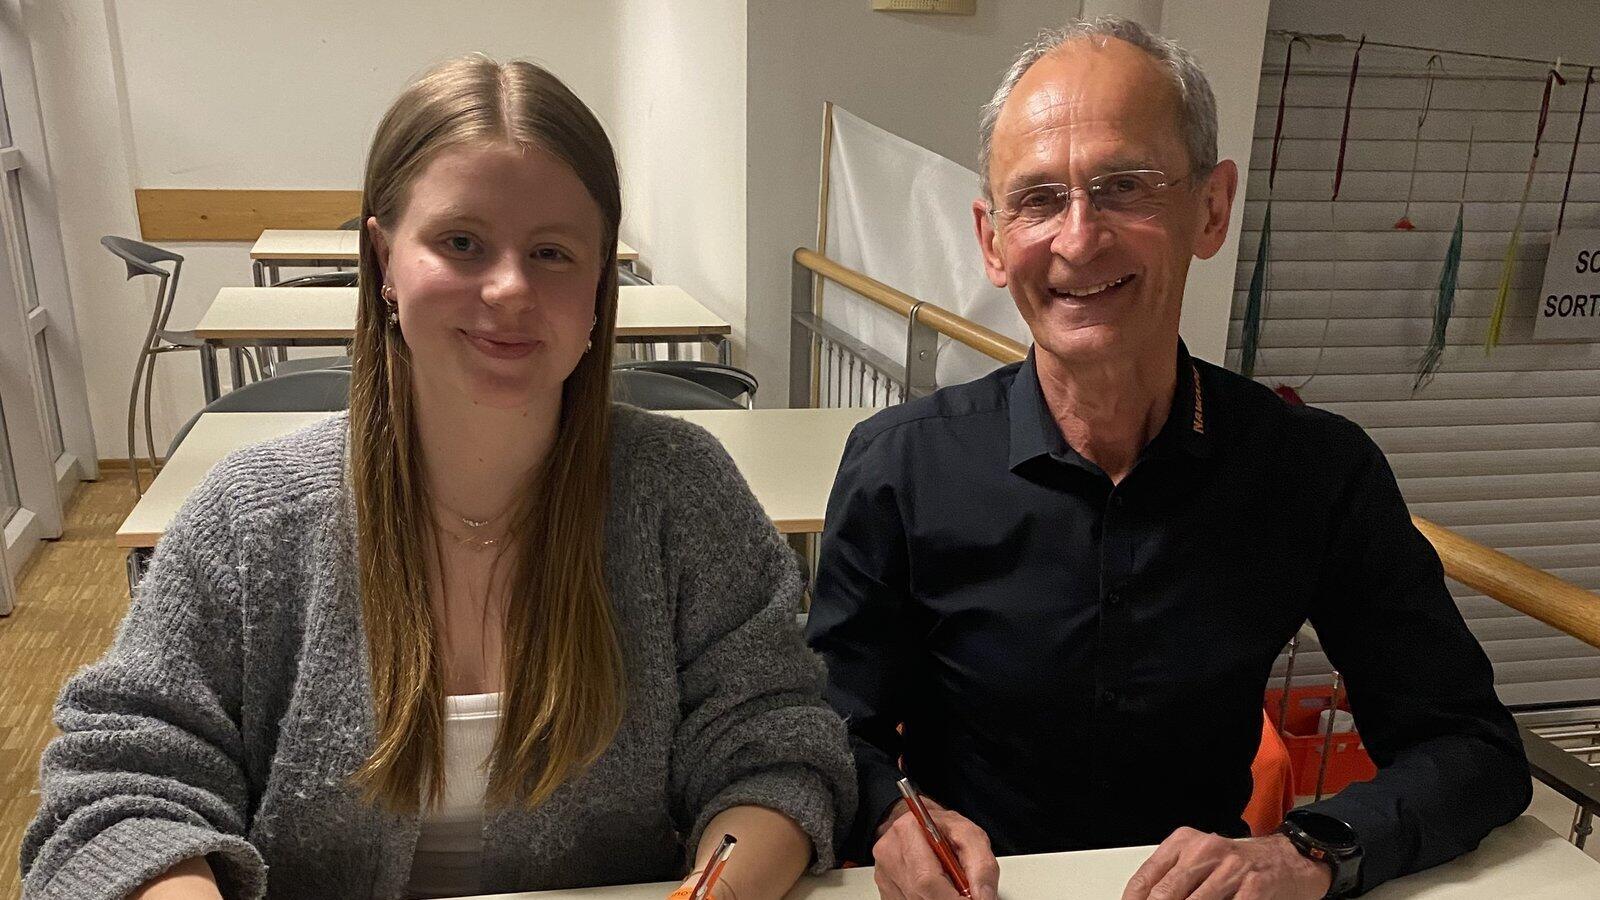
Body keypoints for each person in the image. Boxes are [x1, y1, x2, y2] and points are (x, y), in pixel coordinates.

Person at [22, 55, 854, 900]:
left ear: (601, 282)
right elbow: (122, 790)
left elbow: (774, 746)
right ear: (383, 259)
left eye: (553, 252)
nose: (510, 287)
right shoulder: (250, 518)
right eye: (461, 243)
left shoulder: (682, 495)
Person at [806, 18, 1529, 900]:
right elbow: (827, 729)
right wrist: (893, 818)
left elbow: (1470, 747)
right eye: (1038, 200)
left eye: (1125, 187)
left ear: (1212, 208)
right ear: (992, 241)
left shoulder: (1314, 471)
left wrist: (1308, 852)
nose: (1078, 239)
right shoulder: (901, 467)